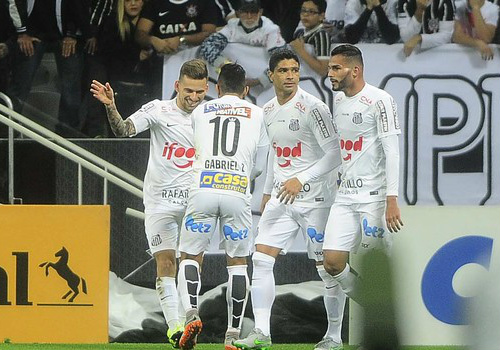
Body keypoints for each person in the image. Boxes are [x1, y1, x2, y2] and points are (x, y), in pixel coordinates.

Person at [90, 59, 209, 349]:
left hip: (196, 199)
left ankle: (189, 316)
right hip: (160, 201)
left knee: (192, 263)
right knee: (165, 262)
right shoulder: (158, 109)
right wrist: (110, 106)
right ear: (177, 86)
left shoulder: (210, 115)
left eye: (200, 92)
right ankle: (176, 329)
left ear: (207, 89)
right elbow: (124, 130)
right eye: (189, 91)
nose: (194, 98)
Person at [234, 48, 345, 350]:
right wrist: (268, 191)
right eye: (283, 71)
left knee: (328, 270)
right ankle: (261, 332)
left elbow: (335, 153)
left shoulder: (313, 108)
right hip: (282, 198)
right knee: (261, 258)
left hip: (316, 200)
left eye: (295, 70)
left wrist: (302, 179)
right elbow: (273, 154)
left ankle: (333, 336)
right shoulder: (267, 110)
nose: (291, 76)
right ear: (270, 75)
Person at [176, 63, 269, 350]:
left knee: (190, 256)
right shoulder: (258, 112)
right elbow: (261, 163)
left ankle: (191, 313)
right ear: (246, 89)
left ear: (216, 88)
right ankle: (233, 334)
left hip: (203, 188)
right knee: (238, 263)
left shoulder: (201, 110)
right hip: (236, 191)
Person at [323, 44, 404, 305]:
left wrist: (391, 199)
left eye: (336, 68)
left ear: (355, 70)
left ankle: (383, 326)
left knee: (378, 267)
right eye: (329, 68)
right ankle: (374, 306)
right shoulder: (338, 99)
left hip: (374, 198)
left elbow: (392, 151)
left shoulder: (380, 100)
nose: (330, 74)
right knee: (332, 263)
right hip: (345, 196)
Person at [7, 0, 90, 136]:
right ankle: (9, 132)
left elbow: (80, 7)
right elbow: (14, 2)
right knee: (20, 85)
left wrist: (72, 34)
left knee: (71, 88)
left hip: (65, 33)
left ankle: (67, 138)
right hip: (31, 33)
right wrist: (22, 32)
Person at [199, 0, 286, 89]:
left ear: (260, 12)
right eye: (245, 12)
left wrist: (260, 80)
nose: (249, 17)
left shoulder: (270, 29)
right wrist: (225, 65)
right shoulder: (232, 26)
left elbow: (282, 59)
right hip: (234, 79)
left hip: (264, 83)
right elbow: (208, 46)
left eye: (253, 12)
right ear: (238, 13)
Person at [135, 0, 217, 56]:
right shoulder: (154, 3)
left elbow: (209, 34)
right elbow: (139, 34)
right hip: (162, 63)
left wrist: (182, 39)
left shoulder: (205, 2)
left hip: (197, 60)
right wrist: (152, 40)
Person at [290, 0, 332, 76]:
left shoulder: (321, 35)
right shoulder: (299, 33)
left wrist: (301, 51)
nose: (305, 14)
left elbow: (323, 70)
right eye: (303, 10)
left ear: (321, 16)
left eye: (311, 11)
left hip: (313, 84)